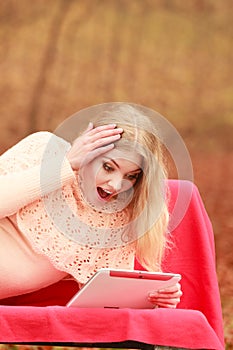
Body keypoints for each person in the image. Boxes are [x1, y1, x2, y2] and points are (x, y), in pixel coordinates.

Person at [0, 103, 182, 308]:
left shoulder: (116, 221)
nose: (115, 185)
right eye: (108, 167)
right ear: (89, 147)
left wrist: (157, 299)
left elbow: (113, 300)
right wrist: (64, 167)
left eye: (130, 176)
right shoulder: (44, 148)